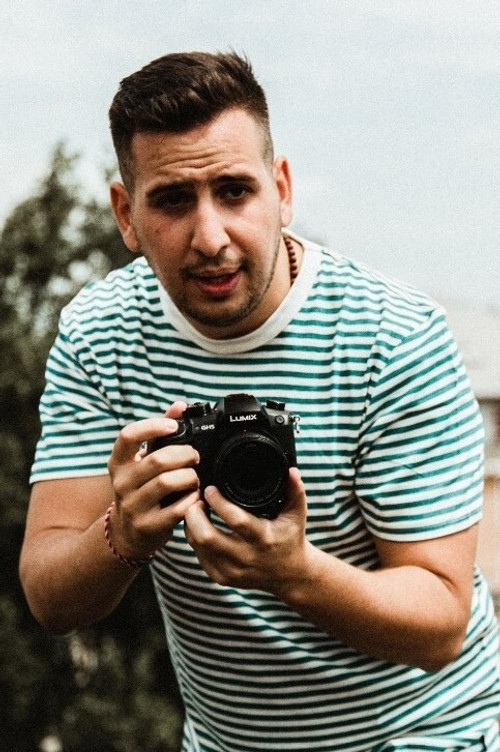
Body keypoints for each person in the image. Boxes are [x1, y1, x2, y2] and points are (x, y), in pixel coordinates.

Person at [20, 51, 500, 751]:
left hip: (425, 734)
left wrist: (296, 573)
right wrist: (122, 534)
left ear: (281, 190)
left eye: (234, 191)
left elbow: (440, 624)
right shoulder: (101, 336)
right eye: (173, 200)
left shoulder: (392, 339)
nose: (210, 237)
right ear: (126, 214)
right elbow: (48, 592)